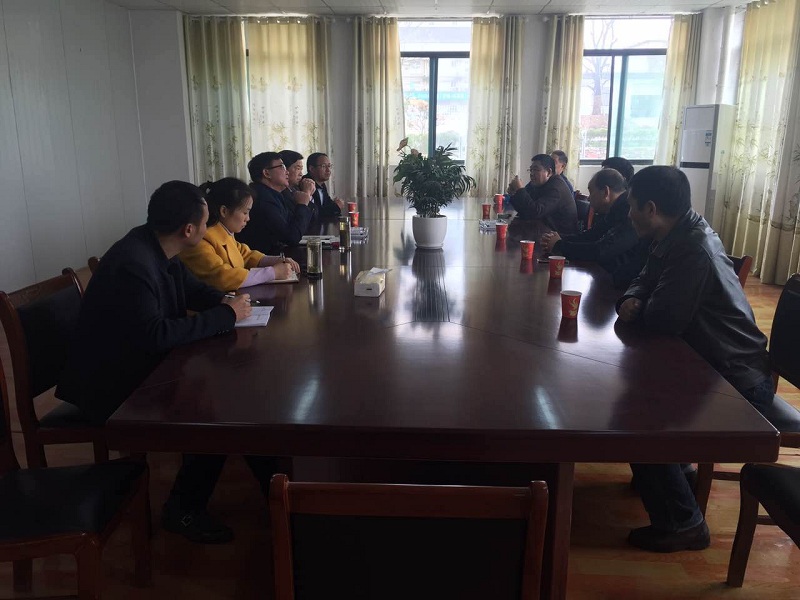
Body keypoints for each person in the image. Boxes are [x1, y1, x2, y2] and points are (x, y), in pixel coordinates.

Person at [56, 181, 270, 544]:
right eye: (205, 223)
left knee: (236, 396)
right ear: (189, 229)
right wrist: (225, 316)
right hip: (112, 385)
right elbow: (155, 335)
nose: (208, 229)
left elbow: (193, 291)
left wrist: (228, 303)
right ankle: (183, 510)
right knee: (217, 413)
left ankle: (275, 485)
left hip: (141, 365)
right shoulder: (133, 263)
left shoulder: (157, 245)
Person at [616, 165, 800, 552]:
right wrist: (631, 297)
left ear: (650, 209)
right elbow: (644, 278)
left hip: (736, 379)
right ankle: (674, 473)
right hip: (712, 363)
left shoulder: (692, 248)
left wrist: (638, 304)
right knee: (631, 396)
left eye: (631, 206)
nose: (627, 213)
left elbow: (665, 319)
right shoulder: (675, 232)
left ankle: (683, 523)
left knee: (637, 414)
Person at [180, 177, 300, 291]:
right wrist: (272, 273)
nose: (248, 218)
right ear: (224, 211)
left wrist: (277, 260)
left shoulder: (224, 233)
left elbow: (245, 254)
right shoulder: (202, 238)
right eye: (245, 212)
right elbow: (222, 277)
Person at [540, 168, 647, 288]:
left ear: (606, 192)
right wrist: (558, 239)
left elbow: (601, 251)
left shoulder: (628, 212)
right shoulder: (616, 209)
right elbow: (591, 235)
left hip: (622, 287)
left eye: (591, 192)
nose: (589, 198)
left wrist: (559, 245)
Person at [238, 152, 313, 254]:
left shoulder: (275, 194)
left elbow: (293, 225)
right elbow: (292, 237)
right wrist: (302, 205)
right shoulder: (262, 198)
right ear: (266, 173)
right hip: (261, 258)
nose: (287, 172)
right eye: (282, 167)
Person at [507, 154, 578, 234]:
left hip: (560, 236)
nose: (532, 173)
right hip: (542, 228)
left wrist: (520, 190)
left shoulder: (556, 187)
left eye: (536, 170)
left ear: (549, 172)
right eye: (531, 170)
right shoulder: (536, 183)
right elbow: (525, 209)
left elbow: (535, 212)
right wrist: (514, 193)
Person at [303, 152, 344, 218]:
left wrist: (335, 204)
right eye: (323, 166)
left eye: (329, 166)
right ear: (312, 169)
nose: (328, 170)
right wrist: (336, 207)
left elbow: (327, 204)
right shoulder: (306, 184)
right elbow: (315, 214)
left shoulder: (321, 184)